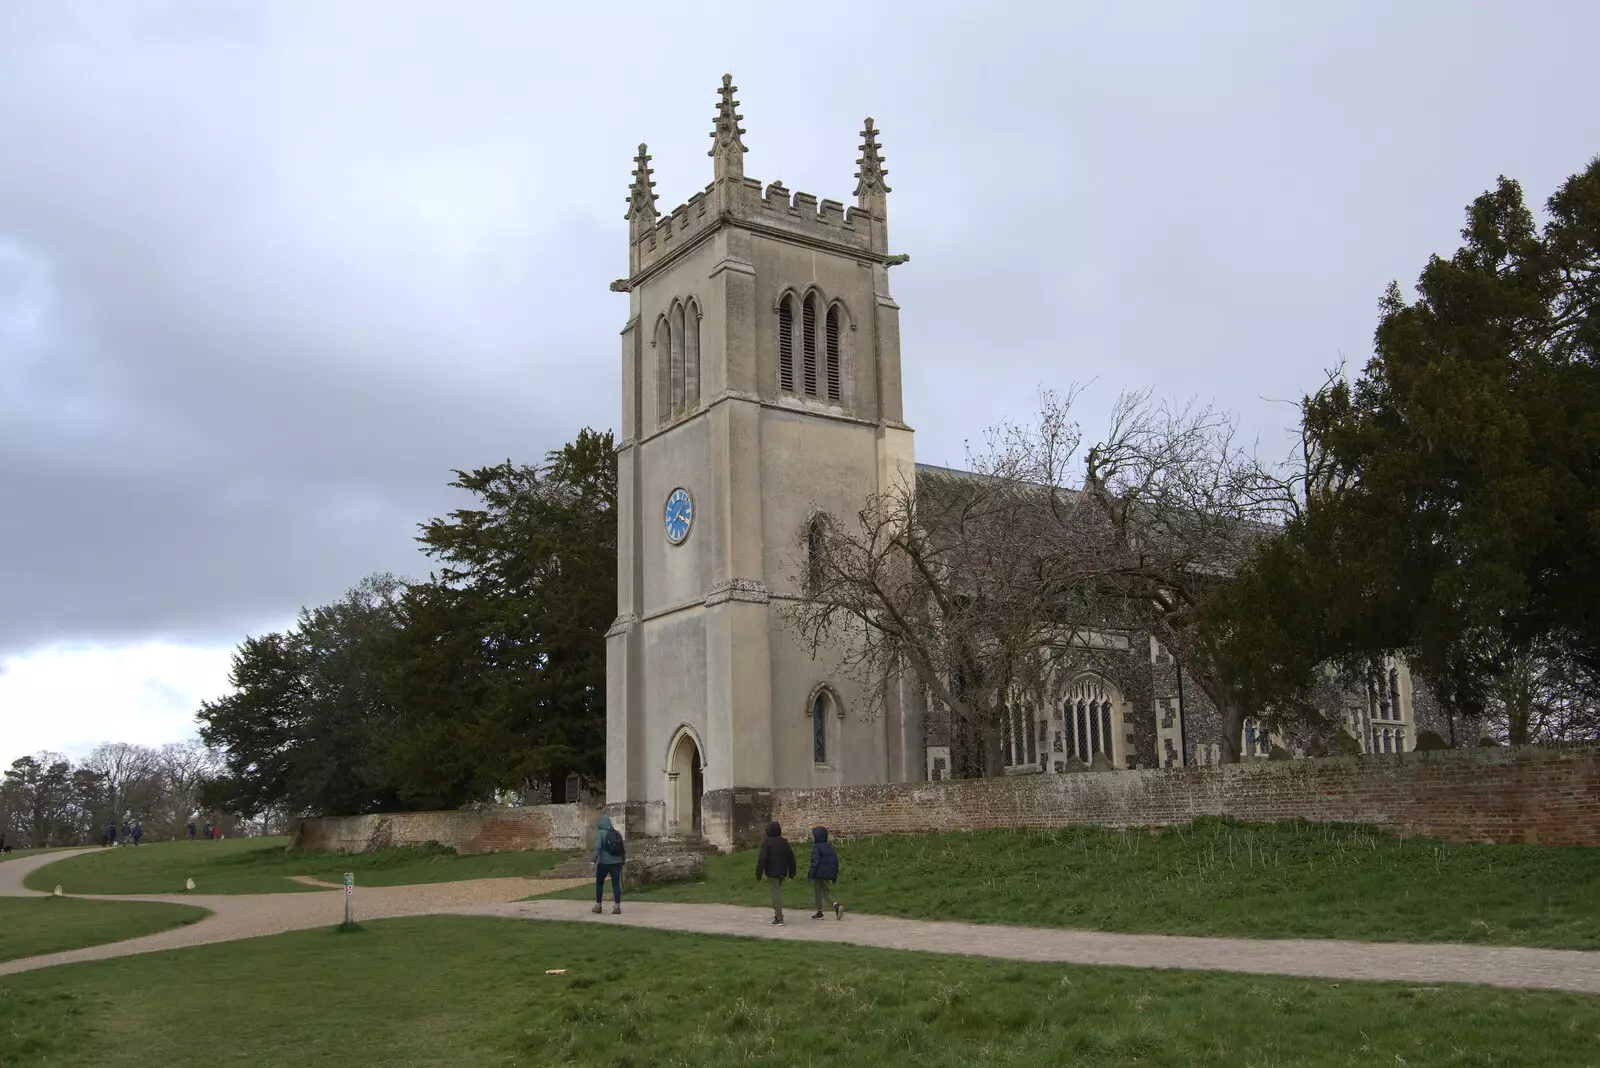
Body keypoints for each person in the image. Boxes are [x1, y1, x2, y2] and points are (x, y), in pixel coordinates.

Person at [754, 821, 797, 925]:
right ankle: (777, 913)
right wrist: (792, 871)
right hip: (782, 871)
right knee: (776, 891)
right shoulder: (784, 841)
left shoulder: (767, 842)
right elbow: (791, 858)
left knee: (775, 893)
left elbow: (762, 859)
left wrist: (758, 873)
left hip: (772, 872)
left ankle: (779, 917)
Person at [807, 826, 843, 920]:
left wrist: (811, 873)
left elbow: (815, 861)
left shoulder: (816, 847)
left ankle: (819, 913)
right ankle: (836, 905)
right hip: (828, 874)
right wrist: (834, 874)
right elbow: (835, 861)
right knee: (826, 893)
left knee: (817, 893)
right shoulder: (829, 846)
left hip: (818, 874)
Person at [591, 813, 625, 915]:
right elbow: (622, 849)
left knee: (599, 883)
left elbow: (597, 849)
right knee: (615, 884)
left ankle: (598, 905)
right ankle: (617, 907)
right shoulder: (617, 833)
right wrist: (623, 862)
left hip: (604, 863)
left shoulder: (600, 833)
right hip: (617, 862)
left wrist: (593, 861)